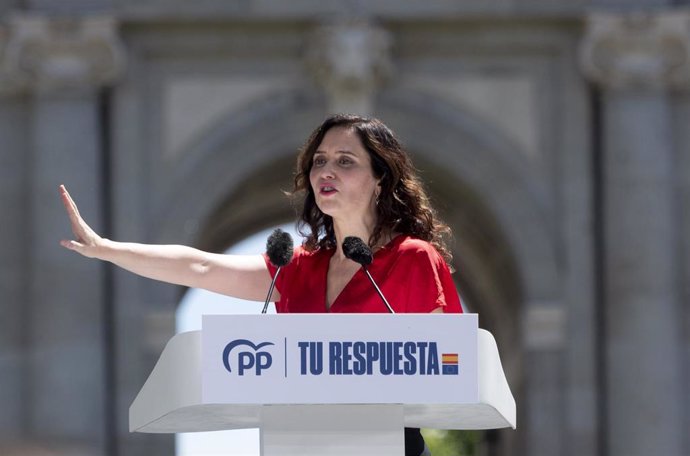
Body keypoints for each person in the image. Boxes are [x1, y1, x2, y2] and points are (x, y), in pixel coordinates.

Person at [60, 114, 462, 456]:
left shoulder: (412, 258)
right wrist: (108, 249)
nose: (326, 171)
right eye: (319, 160)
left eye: (345, 161)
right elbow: (200, 267)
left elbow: (448, 364)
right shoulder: (299, 267)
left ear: (380, 178)